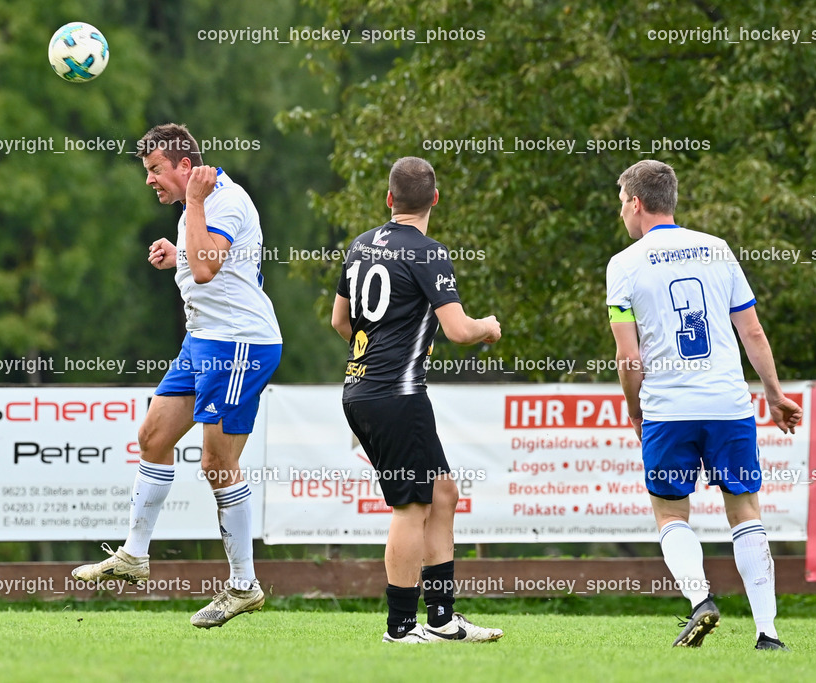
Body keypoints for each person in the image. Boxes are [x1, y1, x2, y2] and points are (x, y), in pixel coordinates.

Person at [72, 123, 282, 628]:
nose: (149, 180)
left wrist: (193, 217)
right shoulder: (199, 204)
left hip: (239, 345)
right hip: (202, 342)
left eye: (155, 169)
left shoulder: (222, 199)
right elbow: (204, 259)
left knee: (217, 464)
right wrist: (178, 255)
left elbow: (207, 269)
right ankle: (134, 556)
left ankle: (244, 586)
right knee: (152, 437)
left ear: (185, 166)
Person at [606, 160, 801, 651]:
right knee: (745, 510)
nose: (621, 213)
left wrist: (635, 410)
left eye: (621, 203)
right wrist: (774, 394)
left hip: (668, 409)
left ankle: (700, 601)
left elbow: (629, 356)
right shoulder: (718, 249)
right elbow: (752, 331)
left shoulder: (623, 264)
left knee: (670, 512)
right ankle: (767, 633)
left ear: (636, 203)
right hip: (728, 404)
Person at [331, 156, 503, 643]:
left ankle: (442, 619)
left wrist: (382, 348)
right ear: (435, 199)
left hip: (361, 389)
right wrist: (488, 327)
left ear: (389, 199)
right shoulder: (429, 252)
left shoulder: (361, 244)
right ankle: (401, 627)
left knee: (443, 493)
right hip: (397, 394)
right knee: (410, 507)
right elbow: (460, 330)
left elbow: (340, 322)